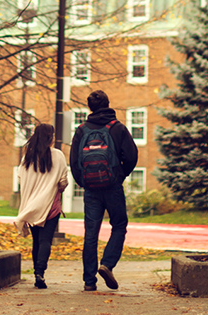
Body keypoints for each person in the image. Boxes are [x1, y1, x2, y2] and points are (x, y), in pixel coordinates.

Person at [70, 90, 138, 291]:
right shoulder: (117, 128)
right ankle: (107, 264)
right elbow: (132, 156)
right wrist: (120, 175)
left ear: (90, 107)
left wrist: (83, 182)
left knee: (91, 233)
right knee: (119, 224)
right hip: (112, 186)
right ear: (108, 104)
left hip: (91, 189)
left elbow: (74, 161)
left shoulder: (81, 130)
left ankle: (89, 282)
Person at [14, 123, 68, 289]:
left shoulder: (27, 158)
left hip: (31, 206)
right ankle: (40, 273)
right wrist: (56, 187)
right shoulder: (58, 155)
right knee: (46, 241)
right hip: (50, 206)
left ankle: (37, 272)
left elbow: (21, 180)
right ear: (50, 137)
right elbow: (63, 182)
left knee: (36, 241)